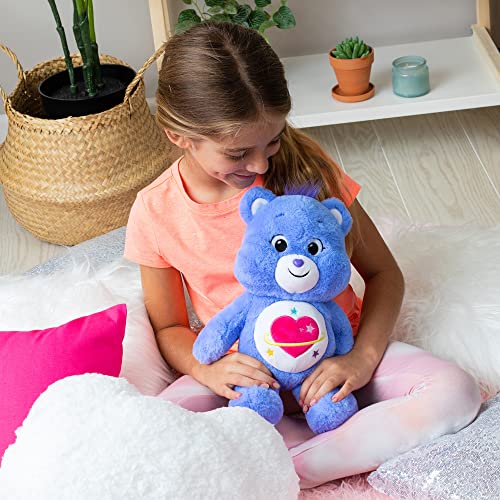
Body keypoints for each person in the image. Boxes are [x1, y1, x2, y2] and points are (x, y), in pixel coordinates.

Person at [124, 21, 481, 489]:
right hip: (244, 380)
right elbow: (169, 327)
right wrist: (206, 370)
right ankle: (304, 452)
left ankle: (289, 473)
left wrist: (361, 359)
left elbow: (383, 273)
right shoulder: (156, 210)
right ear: (178, 136)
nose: (259, 164)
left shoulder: (306, 170)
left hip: (336, 365)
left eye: (272, 141)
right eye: (238, 153)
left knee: (456, 391)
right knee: (146, 433)